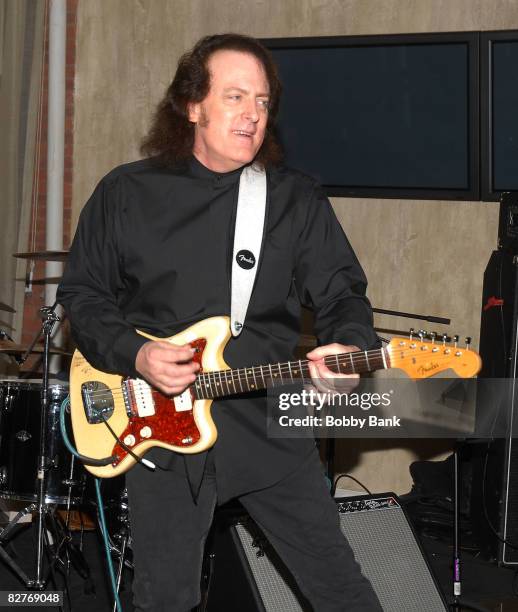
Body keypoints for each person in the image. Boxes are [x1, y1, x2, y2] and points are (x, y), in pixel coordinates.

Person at [58, 33, 382, 612]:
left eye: (261, 101)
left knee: (341, 589)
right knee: (165, 598)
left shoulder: (295, 200)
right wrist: (135, 353)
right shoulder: (126, 193)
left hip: (268, 424)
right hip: (159, 428)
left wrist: (349, 348)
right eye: (235, 97)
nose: (252, 113)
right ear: (192, 106)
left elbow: (343, 293)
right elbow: (82, 295)